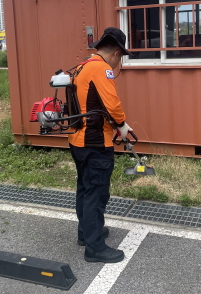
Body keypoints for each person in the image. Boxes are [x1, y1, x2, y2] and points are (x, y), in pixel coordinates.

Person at [68, 27, 134, 264]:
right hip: (95, 142)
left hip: (78, 140)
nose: (118, 63)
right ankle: (95, 248)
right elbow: (112, 104)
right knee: (96, 193)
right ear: (116, 52)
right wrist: (122, 125)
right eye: (120, 58)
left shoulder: (82, 66)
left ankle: (86, 233)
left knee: (85, 189)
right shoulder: (101, 68)